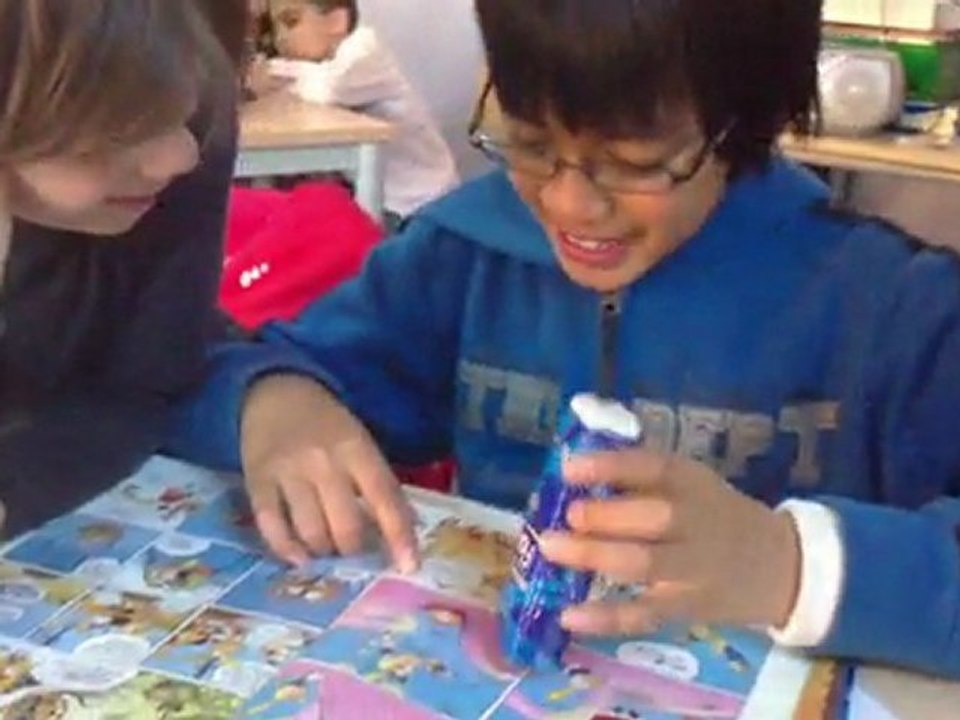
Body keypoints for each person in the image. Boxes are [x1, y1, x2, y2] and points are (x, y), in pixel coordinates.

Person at [172, 0, 960, 678]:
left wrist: (788, 566)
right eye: (531, 142)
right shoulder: (466, 257)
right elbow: (214, 377)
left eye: (635, 163)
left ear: (743, 125)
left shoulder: (893, 309)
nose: (571, 204)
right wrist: (269, 399)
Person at [0, 0, 248, 536]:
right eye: (117, 130)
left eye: (184, 108)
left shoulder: (195, 138)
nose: (179, 156)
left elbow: (154, 372)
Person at [264, 0, 459, 226]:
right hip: (387, 198)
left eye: (291, 22)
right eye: (275, 27)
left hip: (420, 204)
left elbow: (330, 89)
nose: (281, 38)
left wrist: (273, 72)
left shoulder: (364, 49)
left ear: (336, 21)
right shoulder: (322, 65)